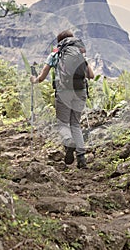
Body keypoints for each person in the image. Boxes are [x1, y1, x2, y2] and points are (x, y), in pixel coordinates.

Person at [30, 30, 94, 169]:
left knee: (63, 123)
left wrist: (34, 80)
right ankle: (82, 159)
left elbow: (41, 77)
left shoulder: (55, 54)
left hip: (63, 91)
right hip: (80, 91)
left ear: (60, 41)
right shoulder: (80, 53)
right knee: (76, 124)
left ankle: (68, 141)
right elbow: (91, 75)